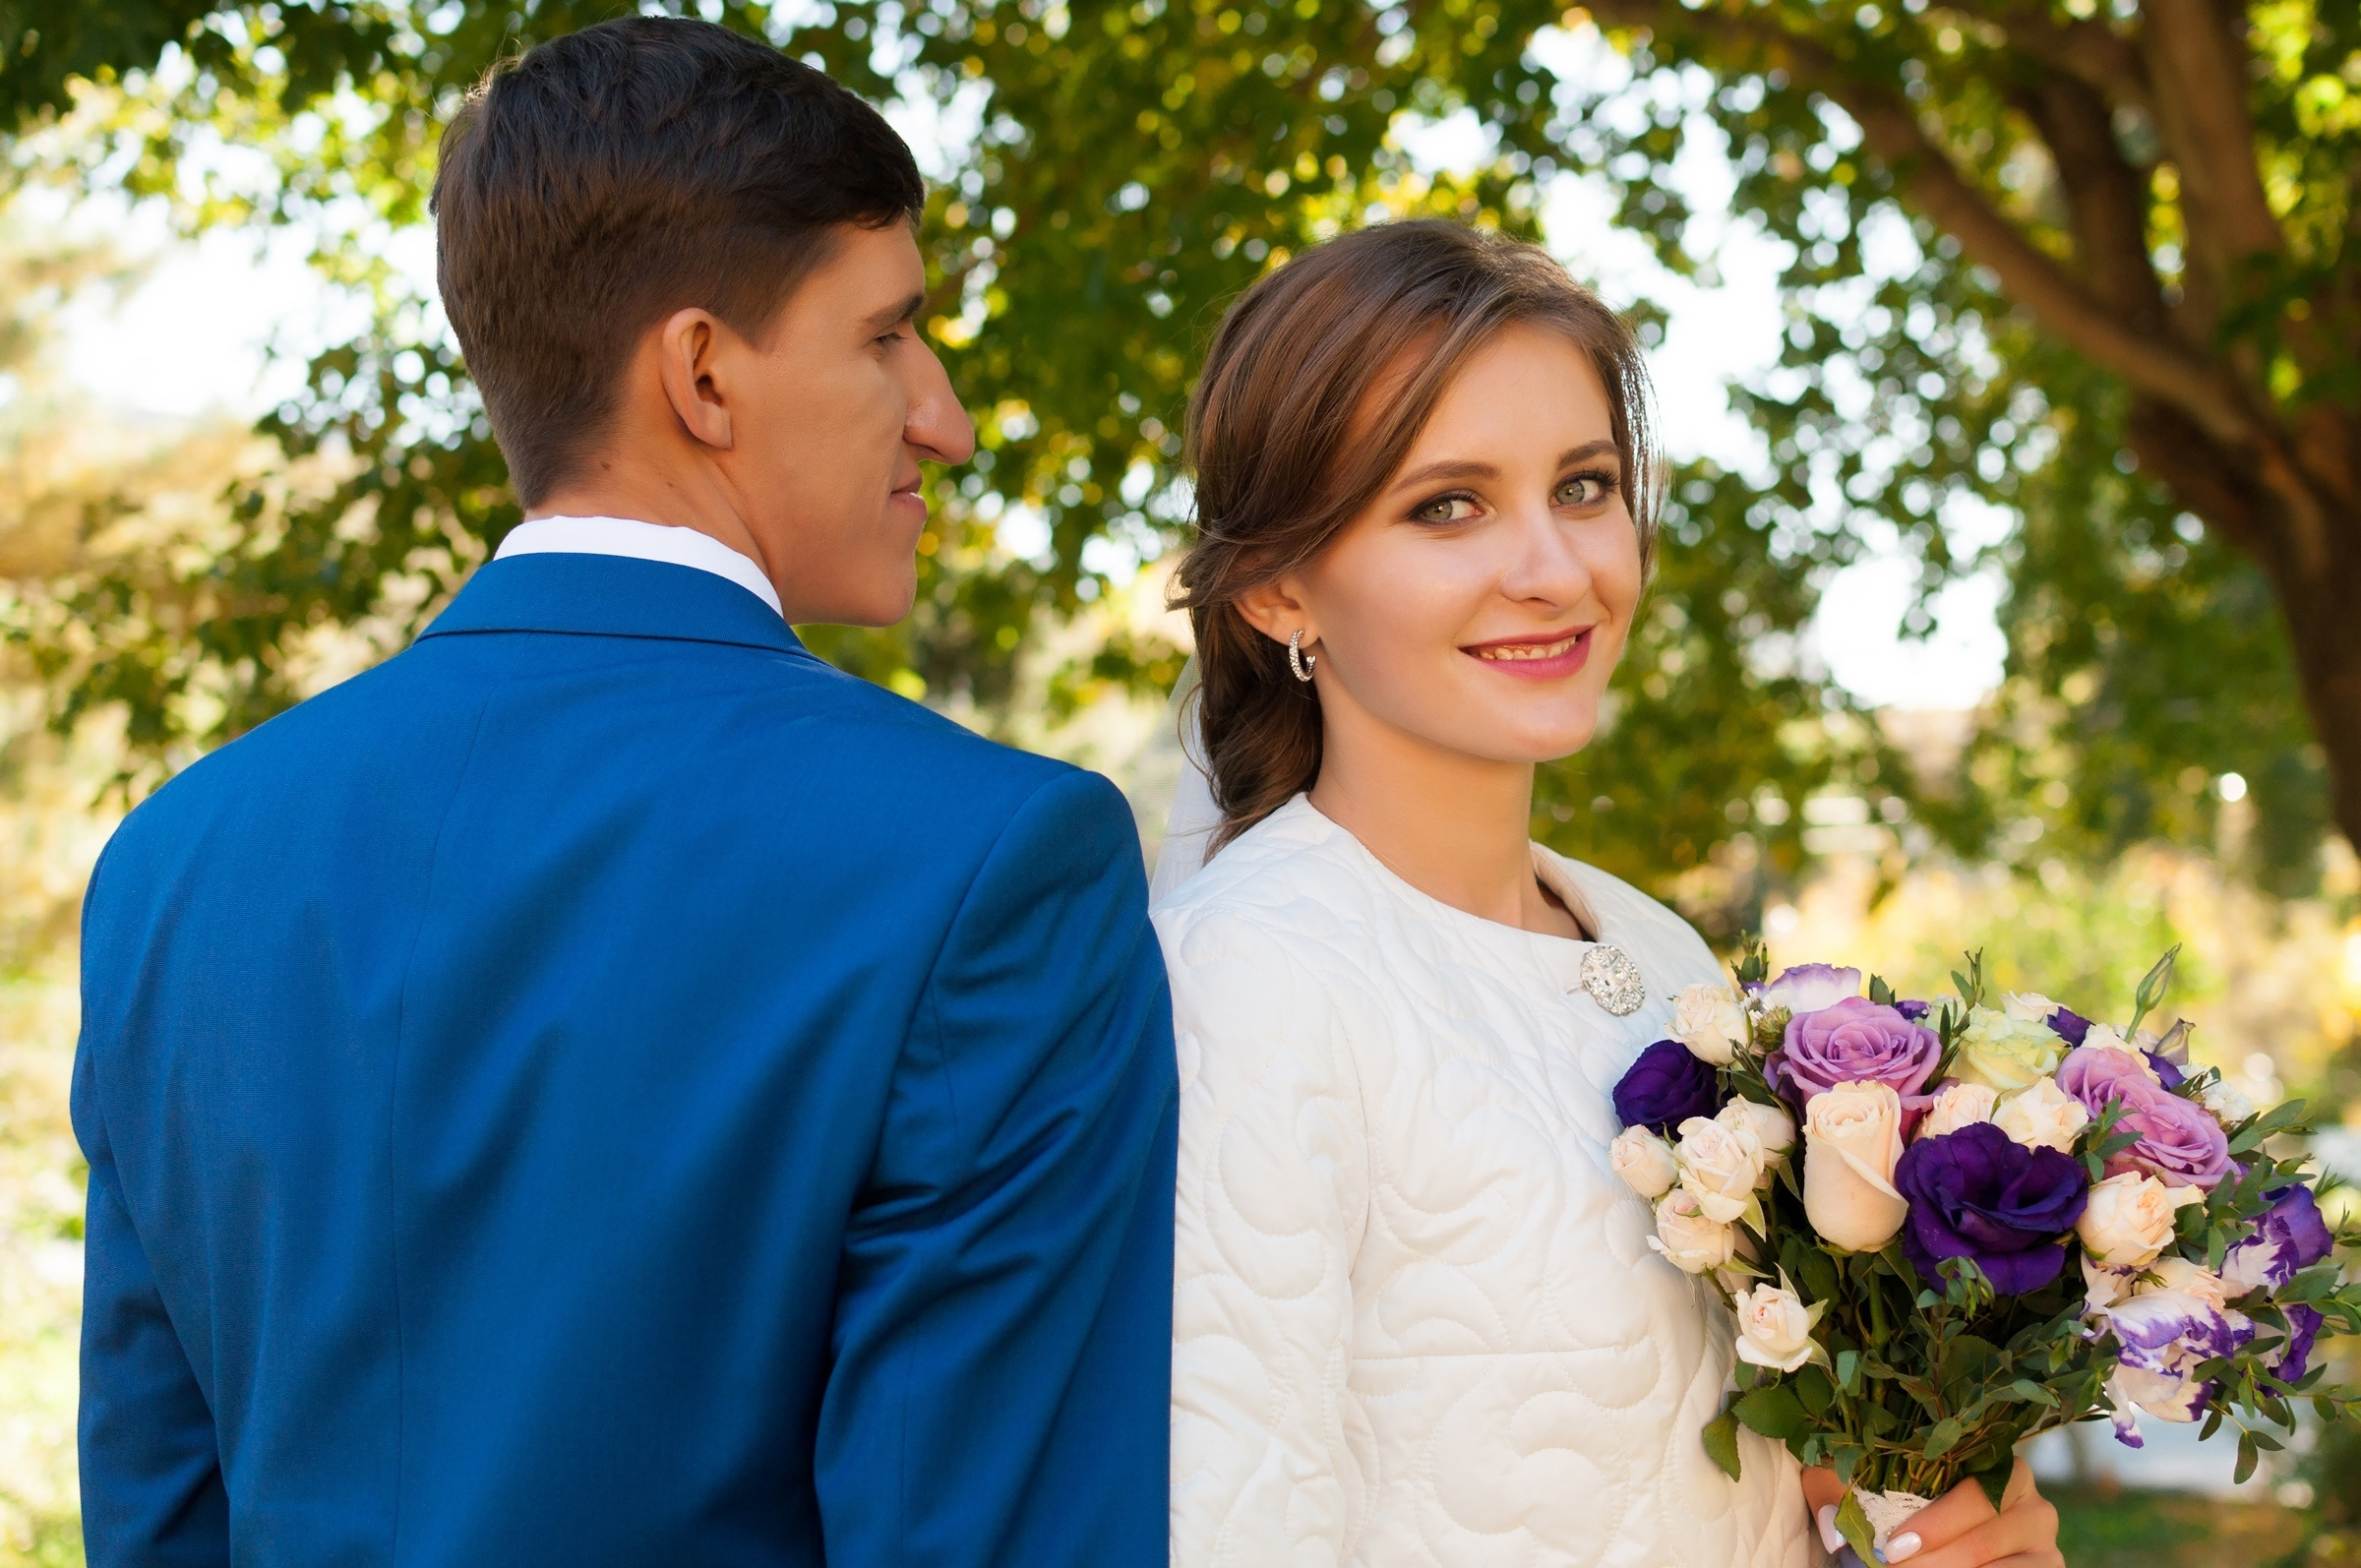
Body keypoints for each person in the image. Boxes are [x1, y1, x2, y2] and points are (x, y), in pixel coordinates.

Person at [72, 19, 1176, 1566]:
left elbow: (157, 1515)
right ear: (705, 373)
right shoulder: (993, 864)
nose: (948, 417)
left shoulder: (176, 860)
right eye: (888, 335)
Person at [1154, 220, 2063, 1568]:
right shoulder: (1247, 980)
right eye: (1447, 504)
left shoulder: (1658, 944)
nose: (1557, 567)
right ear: (1284, 587)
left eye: (1583, 486)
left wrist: (1915, 1519)